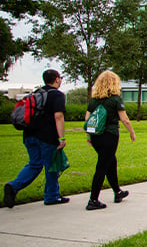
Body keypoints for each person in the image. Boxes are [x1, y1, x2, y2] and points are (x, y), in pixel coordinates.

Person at [4, 69, 69, 208]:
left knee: (34, 164)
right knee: (51, 166)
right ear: (56, 79)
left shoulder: (36, 93)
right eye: (60, 78)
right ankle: (52, 196)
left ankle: (13, 186)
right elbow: (58, 117)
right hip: (47, 136)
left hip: (29, 135)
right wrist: (61, 138)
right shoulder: (57, 95)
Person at [84, 71, 136, 210]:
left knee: (110, 161)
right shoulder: (115, 99)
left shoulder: (94, 100)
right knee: (102, 166)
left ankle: (117, 191)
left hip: (96, 135)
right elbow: (124, 119)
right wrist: (132, 132)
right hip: (109, 135)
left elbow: (87, 118)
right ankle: (93, 200)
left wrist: (89, 135)